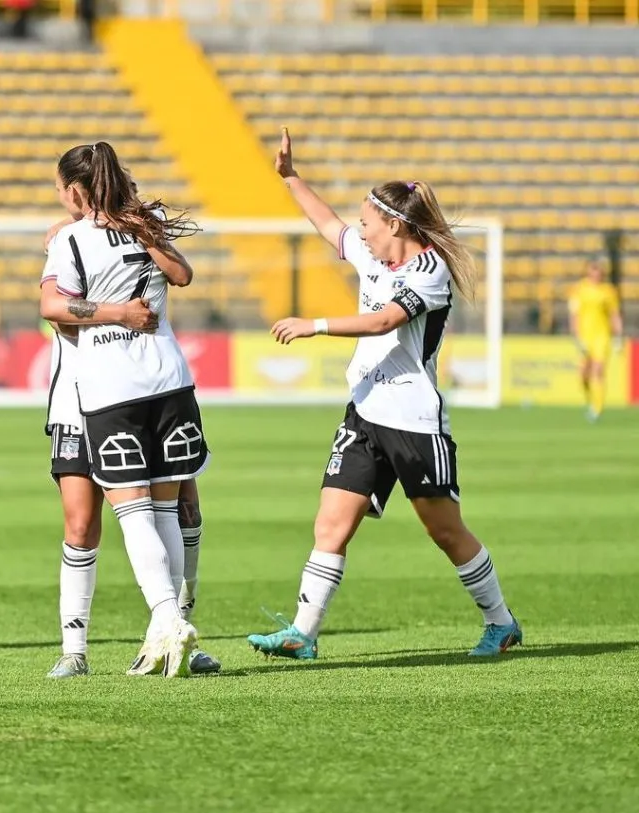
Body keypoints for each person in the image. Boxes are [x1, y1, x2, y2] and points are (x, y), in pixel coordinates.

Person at [248, 128, 522, 660]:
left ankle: (501, 622)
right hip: (366, 412)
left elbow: (383, 322)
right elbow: (328, 226)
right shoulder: (376, 255)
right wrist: (290, 178)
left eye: (369, 224)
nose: (362, 233)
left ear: (395, 224)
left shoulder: (429, 272)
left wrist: (315, 325)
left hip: (414, 420)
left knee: (444, 530)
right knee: (330, 523)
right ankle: (302, 634)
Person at [39, 141, 210, 678]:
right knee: (146, 514)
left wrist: (110, 310)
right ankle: (149, 630)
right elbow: (182, 276)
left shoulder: (73, 238)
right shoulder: (144, 222)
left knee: (139, 513)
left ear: (73, 189)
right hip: (161, 385)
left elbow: (51, 306)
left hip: (109, 390)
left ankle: (167, 622)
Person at [568, 259, 623, 421]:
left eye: (599, 271)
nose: (597, 274)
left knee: (598, 370)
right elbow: (574, 315)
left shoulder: (608, 291)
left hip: (602, 336)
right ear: (588, 272)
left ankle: (597, 409)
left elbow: (614, 314)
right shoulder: (579, 289)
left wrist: (618, 336)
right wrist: (577, 337)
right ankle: (591, 401)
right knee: (584, 375)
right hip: (585, 336)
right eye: (594, 270)